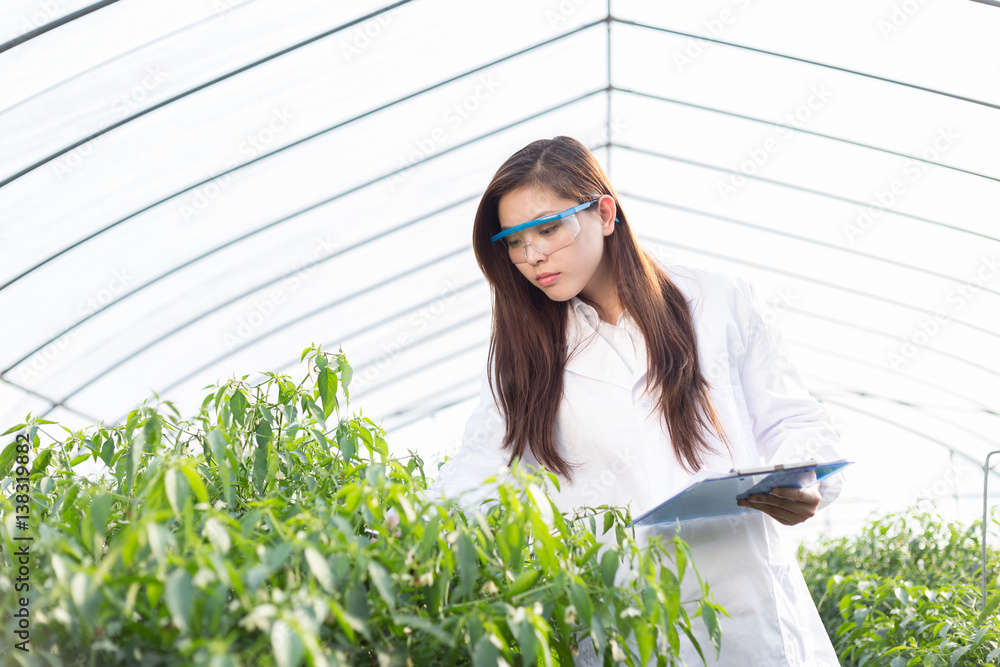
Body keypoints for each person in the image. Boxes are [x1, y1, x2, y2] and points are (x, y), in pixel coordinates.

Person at [407, 135, 847, 666]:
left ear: (605, 213)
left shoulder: (716, 300)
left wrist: (799, 482)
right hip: (620, 619)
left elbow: (795, 420)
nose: (533, 255)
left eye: (548, 229)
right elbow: (480, 468)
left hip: (743, 605)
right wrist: (401, 528)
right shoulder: (522, 354)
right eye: (515, 242)